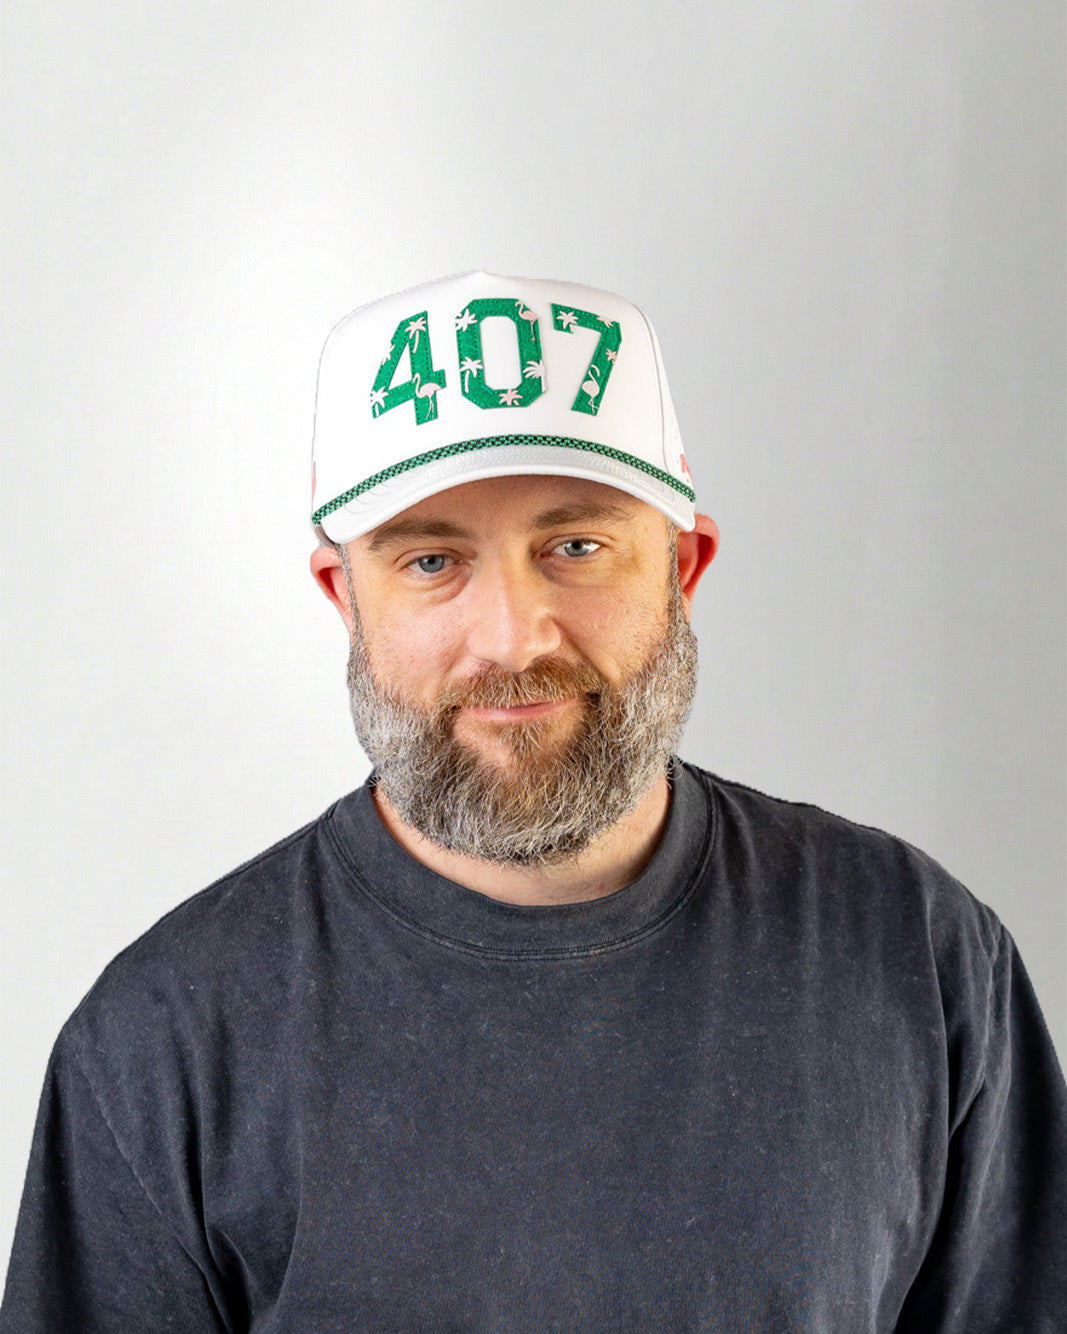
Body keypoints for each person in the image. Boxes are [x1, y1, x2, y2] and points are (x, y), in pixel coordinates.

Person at [2, 271, 1064, 1330]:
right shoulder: (163, 1043)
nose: (513, 636)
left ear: (681, 567)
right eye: (429, 558)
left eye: (576, 546)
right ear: (345, 597)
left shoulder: (915, 955)